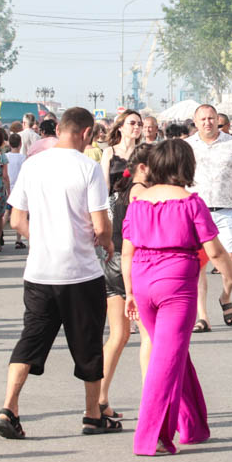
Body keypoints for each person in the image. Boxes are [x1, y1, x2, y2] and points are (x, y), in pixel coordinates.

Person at [122, 139, 232, 456]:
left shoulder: (138, 202)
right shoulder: (191, 203)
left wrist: (129, 292)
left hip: (142, 280)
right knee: (165, 360)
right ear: (187, 166)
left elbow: (127, 253)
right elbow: (216, 252)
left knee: (173, 354)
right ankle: (151, 435)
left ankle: (192, 425)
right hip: (176, 284)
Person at [0, 107, 118, 440]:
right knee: (88, 343)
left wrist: (44, 239)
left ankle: (9, 407)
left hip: (39, 272)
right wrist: (107, 244)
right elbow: (100, 223)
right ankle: (93, 415)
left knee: (31, 339)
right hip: (80, 273)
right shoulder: (89, 168)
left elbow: (16, 220)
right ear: (86, 133)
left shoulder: (33, 165)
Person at [186, 104, 232, 330]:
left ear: (218, 121)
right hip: (194, 211)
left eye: (211, 118)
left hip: (225, 211)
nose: (207, 122)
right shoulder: (186, 147)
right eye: (203, 119)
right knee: (198, 266)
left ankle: (225, 296)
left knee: (231, 260)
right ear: (195, 122)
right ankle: (202, 317)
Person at [96, 111, 144, 417]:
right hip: (117, 230)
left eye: (140, 123)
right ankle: (98, 397)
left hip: (139, 234)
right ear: (121, 127)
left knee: (134, 334)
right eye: (132, 123)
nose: (137, 127)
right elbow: (100, 193)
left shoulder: (147, 154)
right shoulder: (109, 154)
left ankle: (102, 399)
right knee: (121, 334)